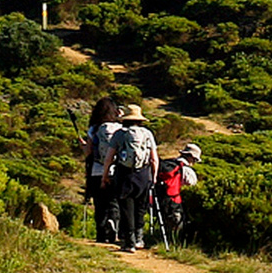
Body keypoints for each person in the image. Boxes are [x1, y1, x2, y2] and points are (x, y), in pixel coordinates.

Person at [101, 104, 158, 253]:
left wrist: (105, 176)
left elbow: (109, 157)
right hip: (143, 175)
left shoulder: (119, 134)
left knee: (126, 209)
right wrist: (154, 176)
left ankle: (129, 242)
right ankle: (139, 239)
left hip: (124, 174)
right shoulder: (147, 134)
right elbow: (154, 159)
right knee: (140, 207)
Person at [80, 97, 122, 243]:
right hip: (116, 170)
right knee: (114, 202)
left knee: (100, 203)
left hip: (97, 170)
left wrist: (84, 146)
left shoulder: (95, 129)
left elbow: (89, 152)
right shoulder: (119, 129)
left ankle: (101, 234)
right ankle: (114, 228)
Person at [154, 143, 201, 242]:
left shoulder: (168, 163)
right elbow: (192, 186)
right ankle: (174, 241)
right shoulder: (187, 170)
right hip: (174, 201)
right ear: (191, 158)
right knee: (177, 223)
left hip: (159, 198)